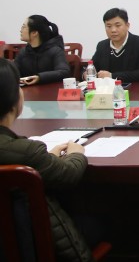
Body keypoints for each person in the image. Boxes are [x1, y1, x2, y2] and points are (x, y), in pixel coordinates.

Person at [0, 58, 93, 261]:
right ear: (13, 98)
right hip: (29, 242)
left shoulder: (26, 153)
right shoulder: (28, 151)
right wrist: (76, 154)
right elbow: (68, 175)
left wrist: (47, 158)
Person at [91, 8, 139, 82]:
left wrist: (112, 76)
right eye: (109, 26)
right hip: (106, 88)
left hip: (133, 88)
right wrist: (85, 74)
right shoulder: (102, 45)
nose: (113, 30)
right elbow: (91, 67)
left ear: (127, 25)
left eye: (118, 25)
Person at [14, 15, 70, 85]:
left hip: (50, 90)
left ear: (34, 33)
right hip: (28, 90)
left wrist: (40, 77)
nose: (21, 30)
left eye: (24, 27)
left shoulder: (55, 50)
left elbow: (64, 72)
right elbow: (13, 71)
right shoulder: (23, 52)